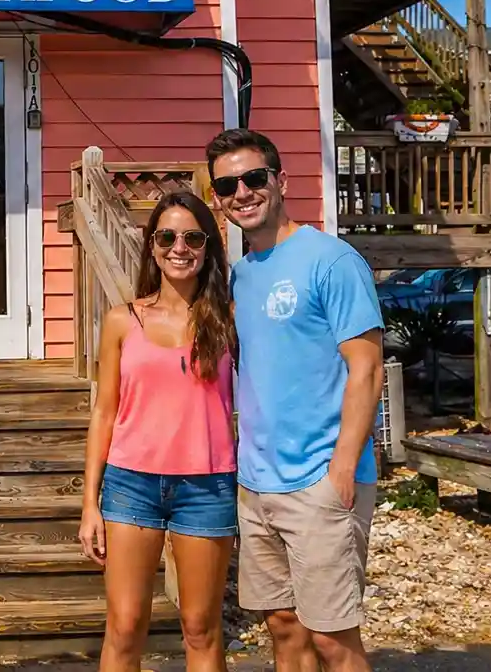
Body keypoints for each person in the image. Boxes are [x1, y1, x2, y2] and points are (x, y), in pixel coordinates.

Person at [205, 128, 385, 672]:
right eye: (228, 185)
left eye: (254, 178)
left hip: (319, 481)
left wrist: (343, 469)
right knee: (283, 628)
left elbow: (368, 368)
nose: (243, 192)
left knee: (333, 637)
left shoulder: (331, 260)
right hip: (257, 483)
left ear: (281, 181)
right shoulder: (240, 276)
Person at [79, 191, 238, 672]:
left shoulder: (229, 319)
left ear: (208, 246)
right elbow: (104, 413)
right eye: (167, 236)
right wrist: (89, 503)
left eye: (192, 237)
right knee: (125, 626)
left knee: (200, 628)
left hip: (207, 487)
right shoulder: (121, 320)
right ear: (151, 245)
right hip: (131, 485)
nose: (179, 247)